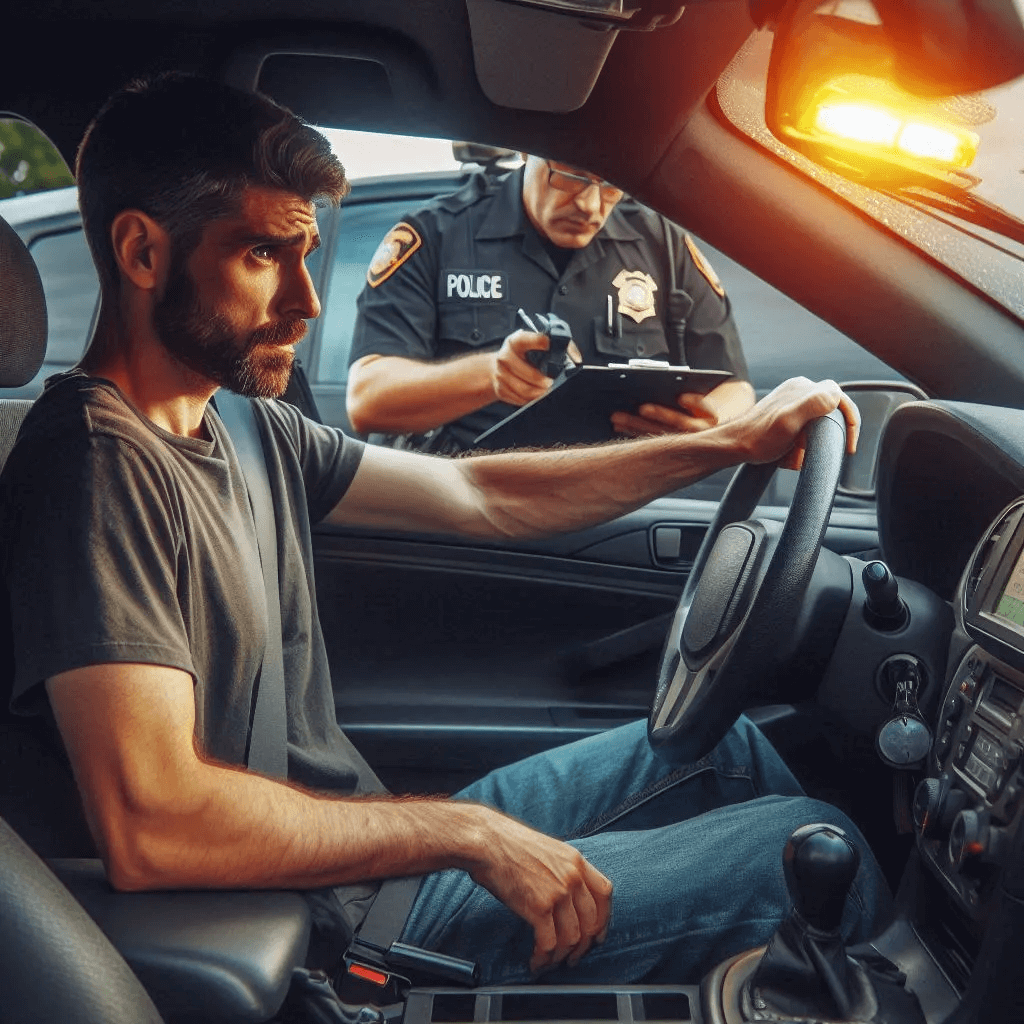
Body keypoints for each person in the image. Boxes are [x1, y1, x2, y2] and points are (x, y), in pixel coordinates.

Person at [0, 74, 888, 991]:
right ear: (143, 252)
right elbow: (158, 825)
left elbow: (482, 497)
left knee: (728, 751)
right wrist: (469, 834)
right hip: (322, 924)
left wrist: (726, 442)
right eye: (266, 253)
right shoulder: (95, 467)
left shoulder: (241, 424)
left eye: (307, 253)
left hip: (367, 861)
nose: (307, 302)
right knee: (819, 854)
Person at [346, 154, 756, 453]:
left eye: (612, 183)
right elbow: (368, 399)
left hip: (611, 508)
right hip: (464, 504)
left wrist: (710, 421)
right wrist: (491, 376)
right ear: (526, 150)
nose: (590, 205)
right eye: (572, 175)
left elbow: (735, 388)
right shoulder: (435, 234)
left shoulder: (662, 244)